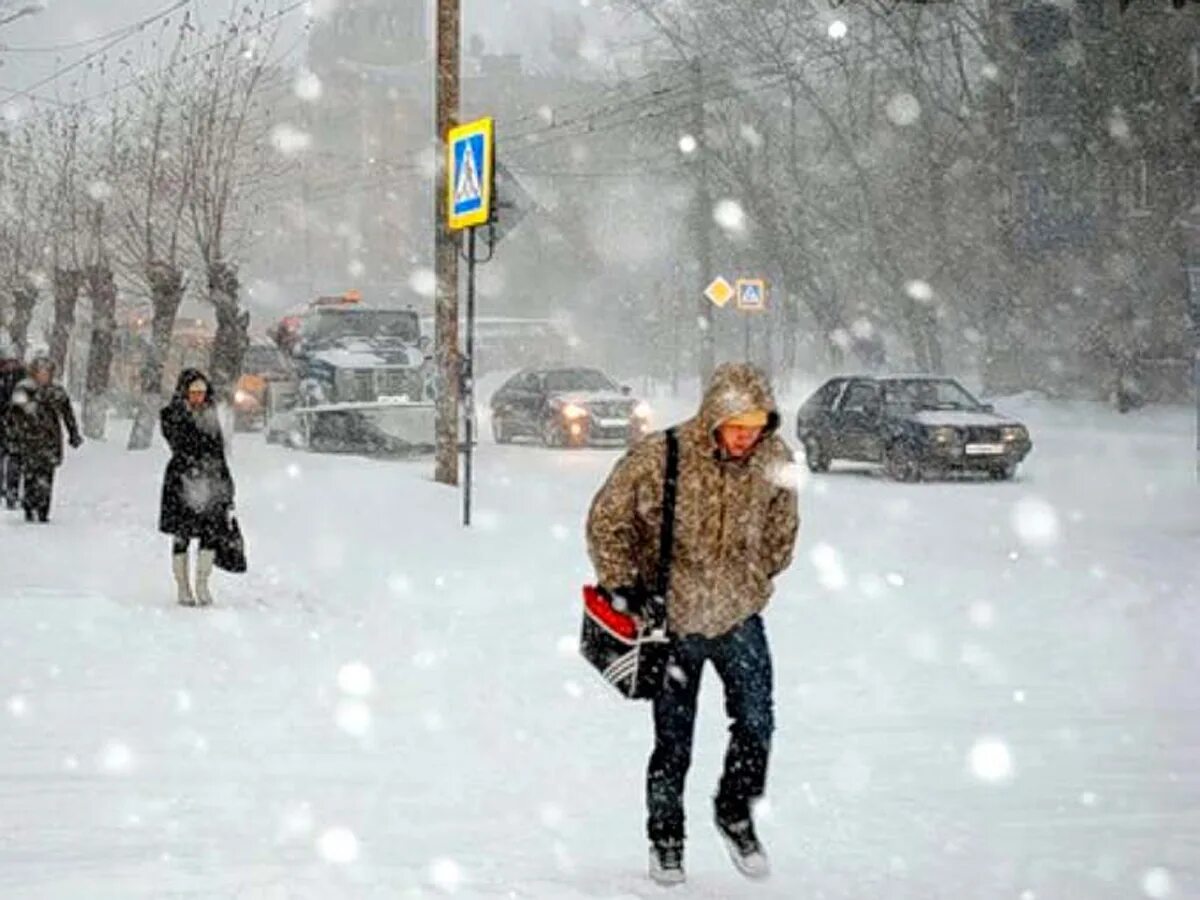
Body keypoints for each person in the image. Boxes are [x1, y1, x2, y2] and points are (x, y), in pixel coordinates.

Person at [587, 363, 800, 886]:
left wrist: (754, 579)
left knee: (757, 723)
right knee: (673, 741)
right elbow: (606, 519)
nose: (747, 435)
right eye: (737, 424)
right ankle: (666, 839)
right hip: (674, 624)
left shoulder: (775, 459)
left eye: (756, 424)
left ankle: (734, 812)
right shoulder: (662, 455)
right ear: (713, 418)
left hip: (737, 617)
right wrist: (622, 585)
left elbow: (783, 529)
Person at [159, 369, 236, 607]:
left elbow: (219, 451)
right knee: (182, 534)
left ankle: (202, 583)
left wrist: (227, 485)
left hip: (210, 482)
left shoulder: (211, 416)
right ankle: (183, 586)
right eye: (193, 392)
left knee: (210, 532)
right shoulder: (172, 414)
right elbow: (178, 443)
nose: (198, 397)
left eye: (202, 393)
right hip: (182, 481)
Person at [7, 356, 83, 523]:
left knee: (46, 476)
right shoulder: (24, 389)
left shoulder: (57, 392)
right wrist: (14, 434)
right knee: (30, 476)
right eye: (40, 371)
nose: (43, 375)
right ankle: (29, 506)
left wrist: (74, 434)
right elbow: (14, 414)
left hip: (49, 440)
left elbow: (67, 414)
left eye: (46, 372)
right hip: (29, 440)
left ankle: (43, 510)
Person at [0, 337, 25, 509]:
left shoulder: (23, 380)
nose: (9, 365)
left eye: (12, 361)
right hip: (3, 423)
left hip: (16, 425)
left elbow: (25, 402)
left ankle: (12, 491)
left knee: (15, 460)